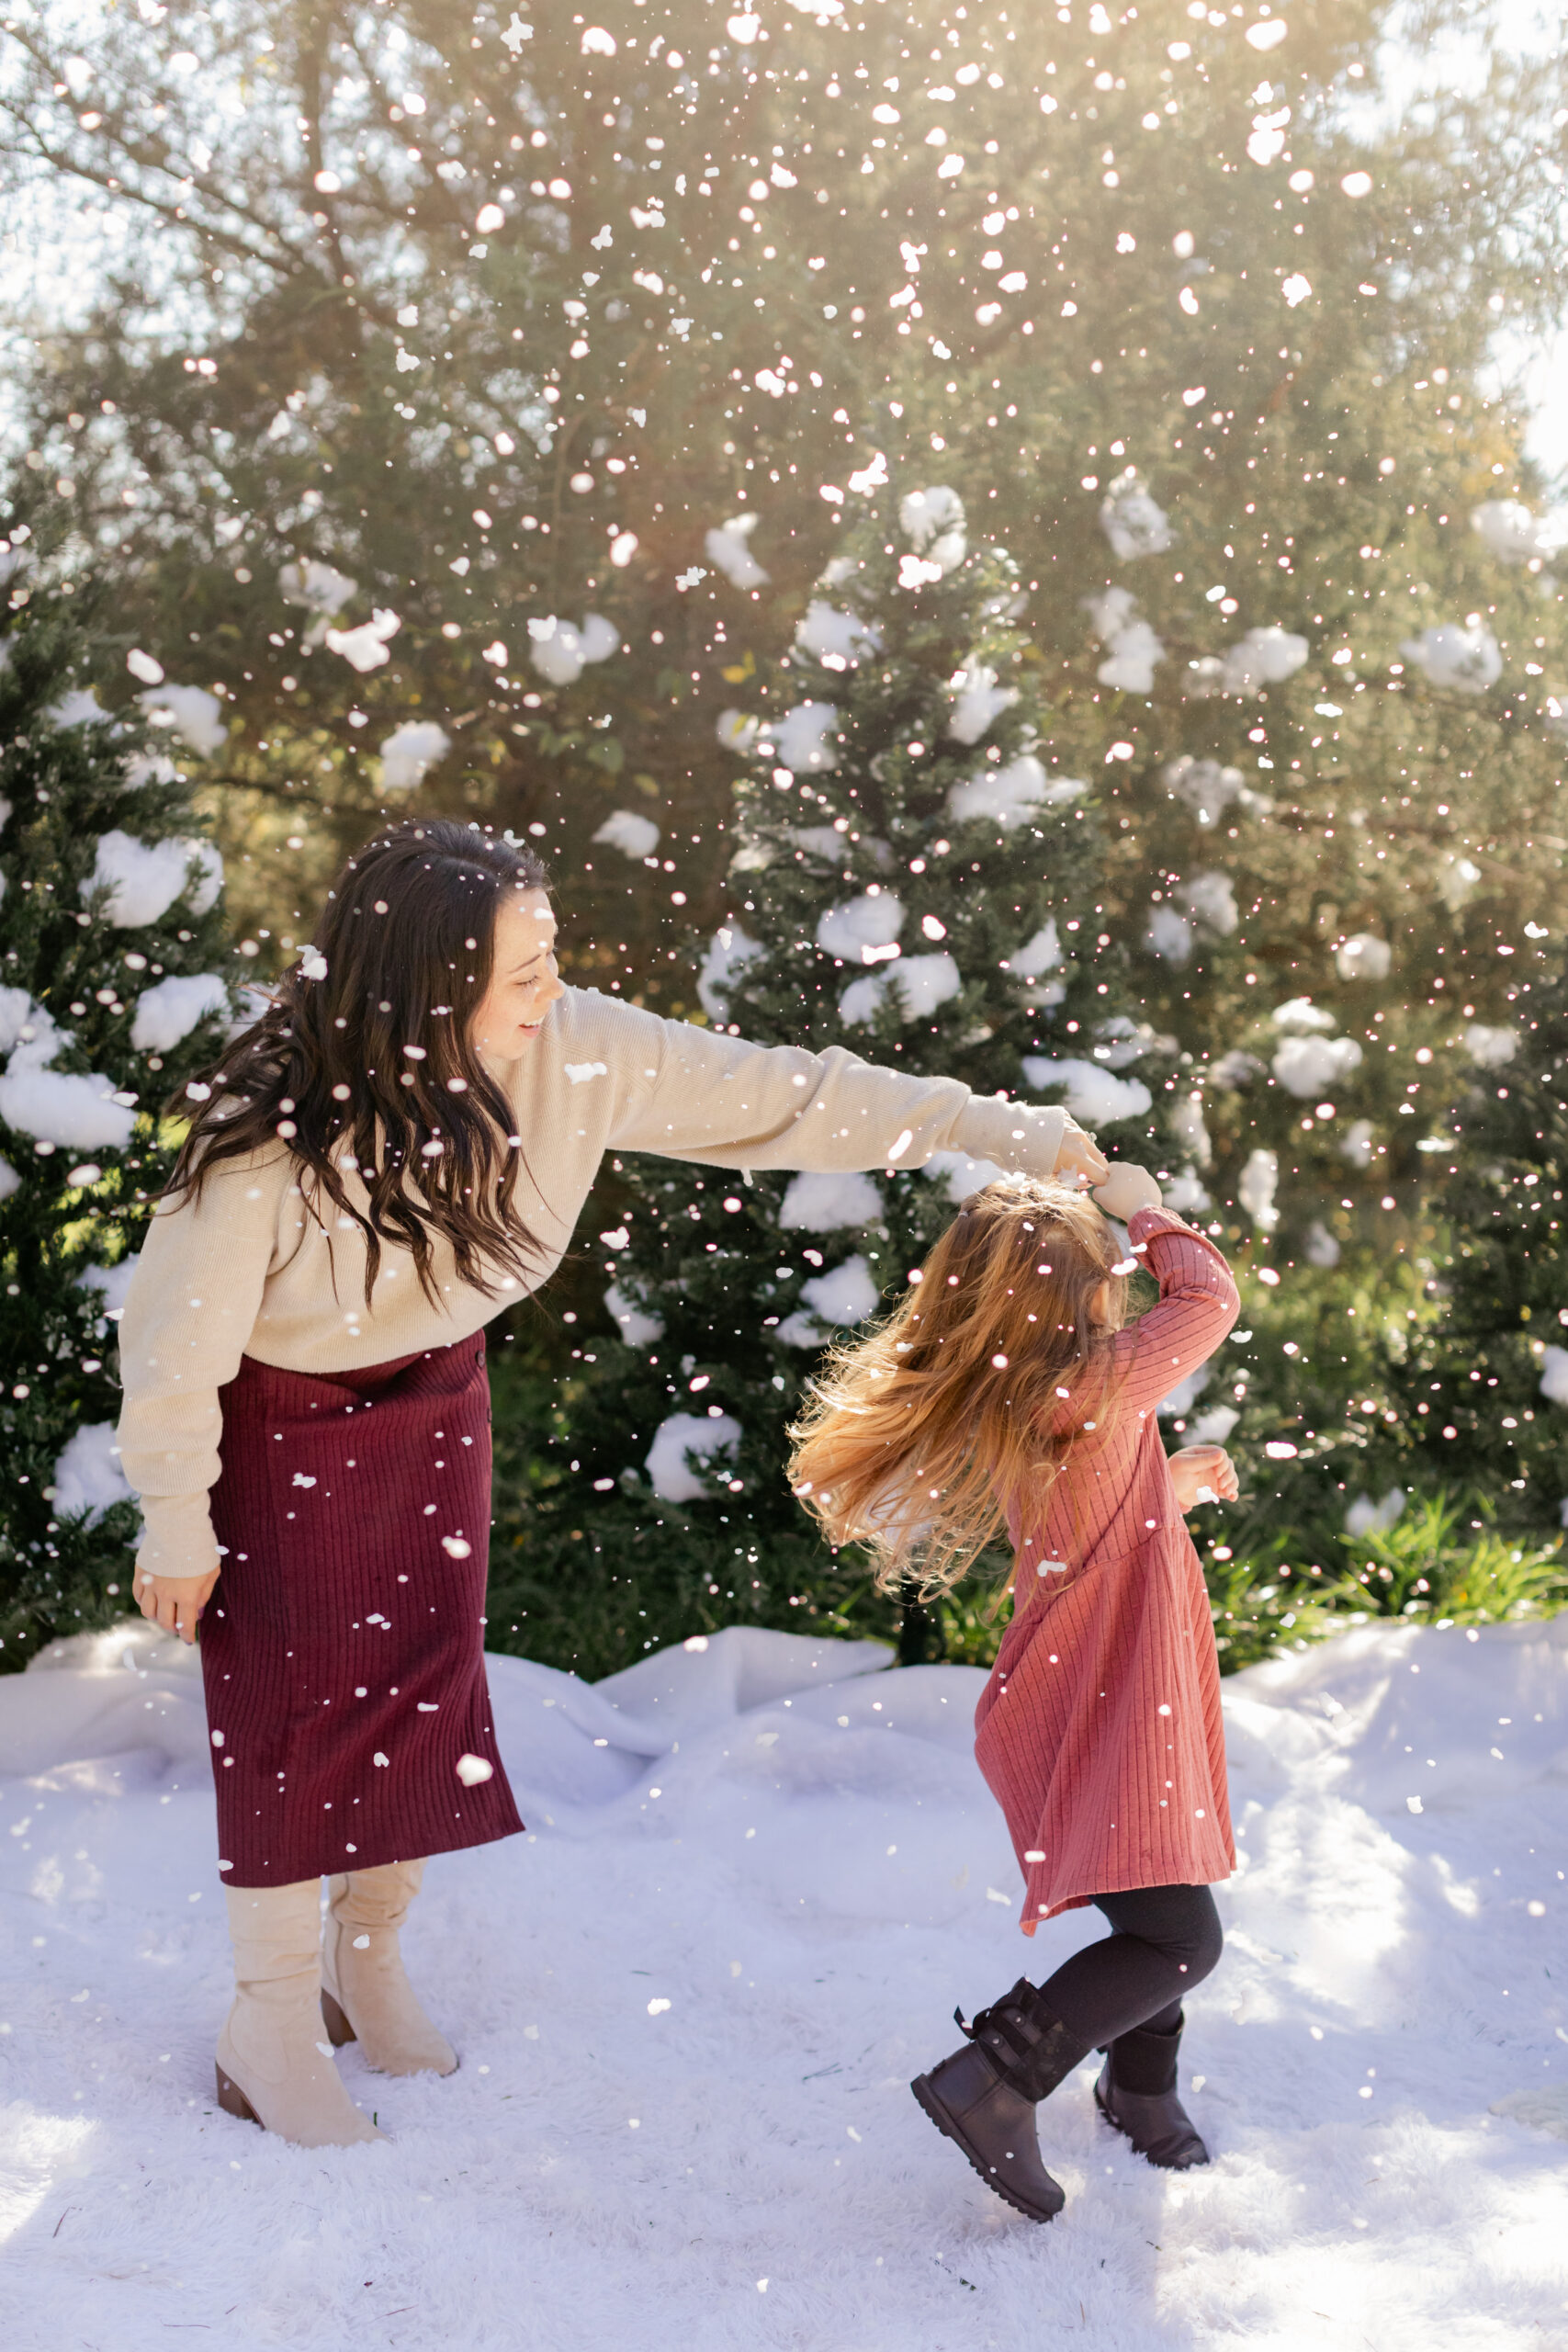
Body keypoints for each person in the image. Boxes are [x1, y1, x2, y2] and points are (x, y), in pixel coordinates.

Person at [115, 817, 1108, 2148]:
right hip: (284, 1426)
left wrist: (999, 1134)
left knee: (419, 1684)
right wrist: (177, 1519)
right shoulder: (267, 1140)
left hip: (434, 1401)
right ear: (421, 989)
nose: (547, 993)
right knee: (295, 1713)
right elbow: (172, 1349)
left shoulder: (568, 1048)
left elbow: (787, 1096)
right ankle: (268, 2017)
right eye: (517, 972)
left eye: (549, 959)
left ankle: (367, 1956)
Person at [788, 1159, 1240, 2222]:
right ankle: (997, 2075)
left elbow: (1089, 1505)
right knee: (1179, 1935)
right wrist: (1140, 1197)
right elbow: (1211, 1297)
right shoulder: (1090, 1380)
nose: (1122, 1291)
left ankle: (1138, 2087)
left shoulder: (1036, 1387)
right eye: (1108, 1281)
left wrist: (1165, 1482)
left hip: (1096, 1682)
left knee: (1156, 1884)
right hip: (1112, 1693)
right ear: (1075, 1305)